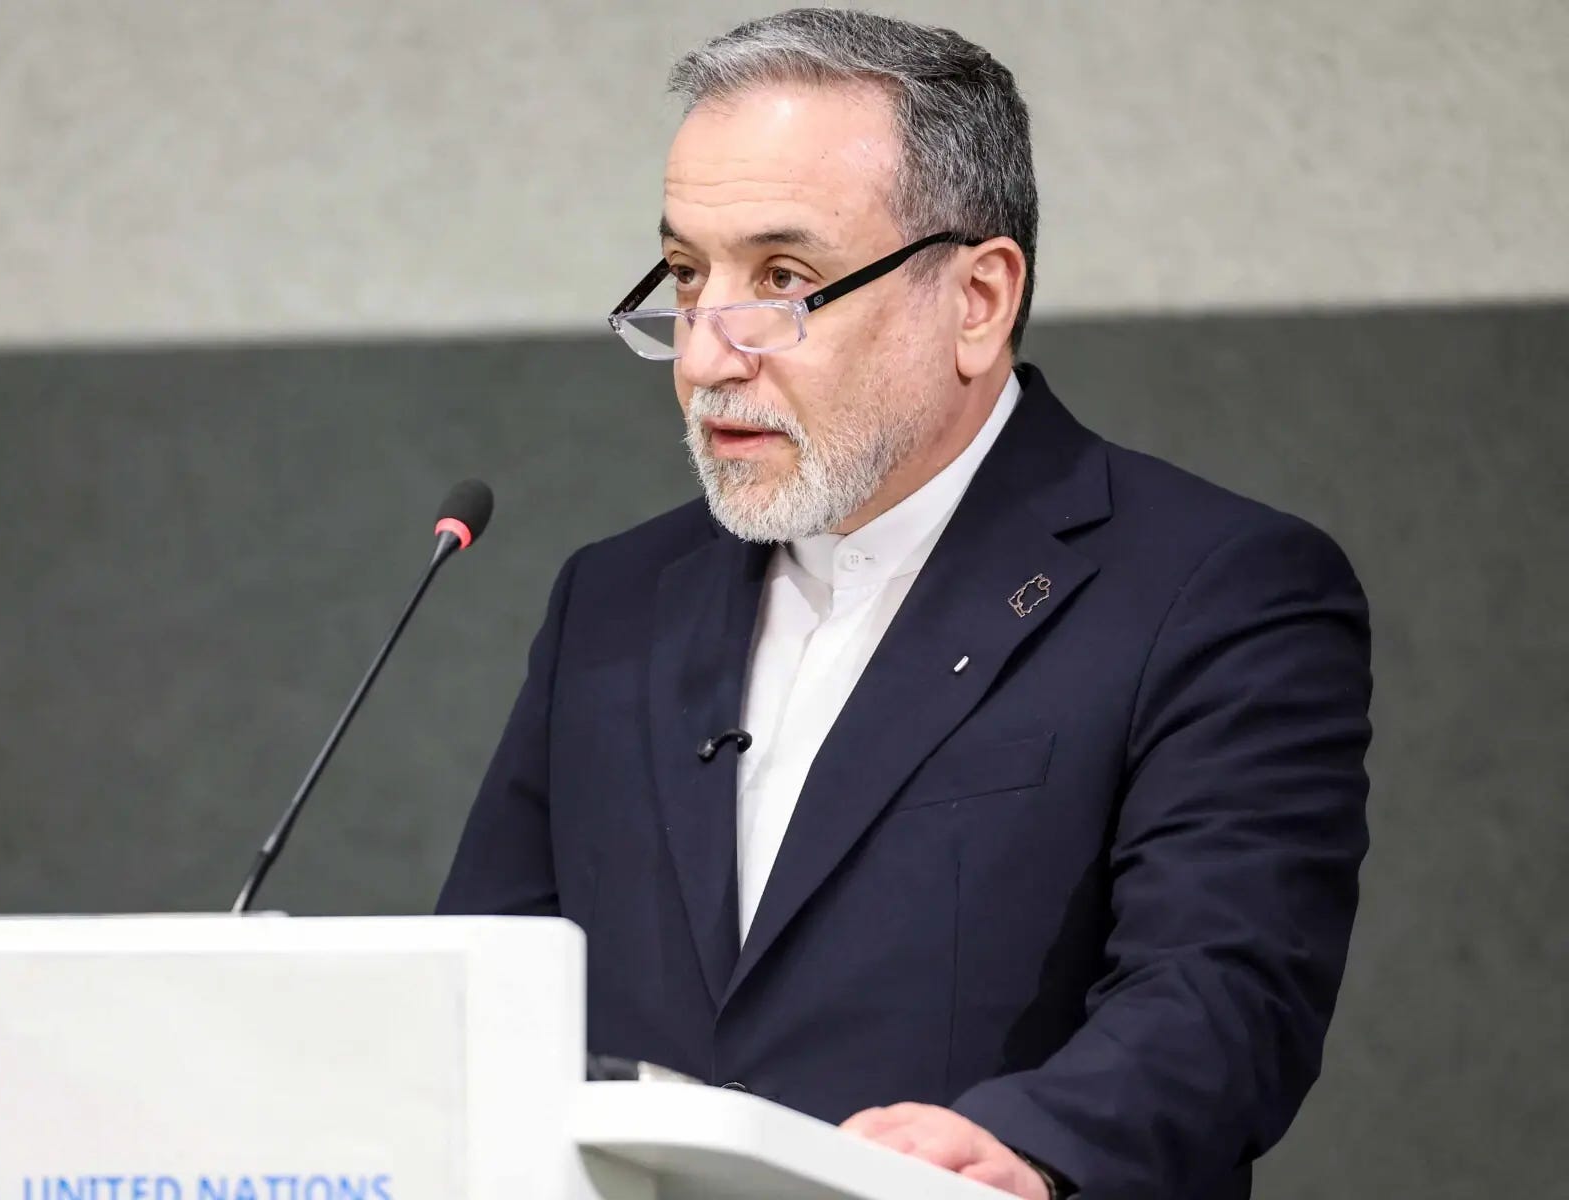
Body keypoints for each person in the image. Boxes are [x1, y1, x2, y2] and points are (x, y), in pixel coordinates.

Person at [437, 10, 1372, 1199]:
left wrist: (1032, 1141)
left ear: (975, 299)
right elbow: (482, 990)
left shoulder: (1213, 590)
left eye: (783, 280)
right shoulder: (613, 603)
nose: (706, 356)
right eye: (685, 276)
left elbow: (1225, 993)